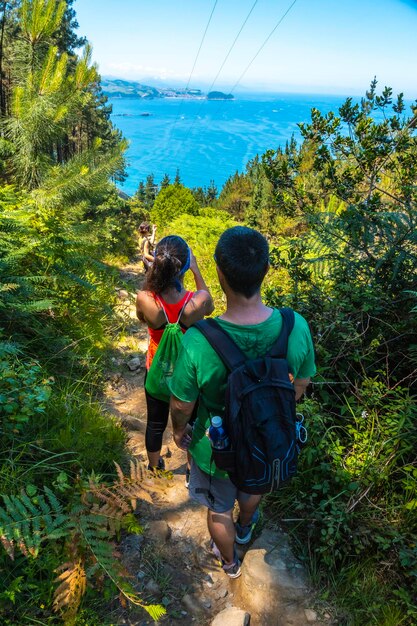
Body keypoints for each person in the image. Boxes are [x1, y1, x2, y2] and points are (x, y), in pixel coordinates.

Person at [170, 226, 316, 578]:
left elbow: (181, 404)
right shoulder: (293, 326)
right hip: (267, 441)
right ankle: (247, 526)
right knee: (253, 486)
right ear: (265, 270)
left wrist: (179, 434)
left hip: (216, 450)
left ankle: (230, 563)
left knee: (219, 508)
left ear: (219, 272)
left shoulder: (200, 339)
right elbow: (303, 382)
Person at [136, 235, 214, 473]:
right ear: (185, 265)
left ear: (157, 263)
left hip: (157, 369)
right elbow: (209, 303)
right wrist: (197, 270)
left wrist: (153, 275)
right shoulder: (195, 303)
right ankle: (191, 470)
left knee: (155, 423)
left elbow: (142, 317)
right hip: (188, 373)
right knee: (192, 422)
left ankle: (154, 466)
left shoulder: (145, 299)